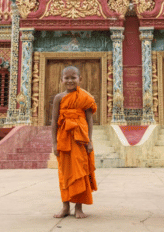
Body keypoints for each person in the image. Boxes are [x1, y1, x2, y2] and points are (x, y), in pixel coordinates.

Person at [52, 66, 97, 219]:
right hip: (64, 140)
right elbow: (54, 123)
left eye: (73, 77)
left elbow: (89, 120)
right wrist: (54, 143)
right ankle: (65, 207)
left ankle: (79, 208)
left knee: (80, 172)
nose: (70, 80)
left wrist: (90, 141)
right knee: (64, 173)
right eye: (67, 78)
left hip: (80, 140)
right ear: (62, 79)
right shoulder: (59, 98)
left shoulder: (85, 98)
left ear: (80, 79)